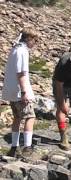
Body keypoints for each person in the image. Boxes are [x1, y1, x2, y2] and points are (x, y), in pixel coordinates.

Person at [1, 28, 38, 157]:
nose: (35, 43)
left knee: (17, 117)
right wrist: (24, 92)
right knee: (29, 116)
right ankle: (27, 147)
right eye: (34, 40)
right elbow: (21, 73)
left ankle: (14, 147)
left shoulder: (14, 49)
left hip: (11, 90)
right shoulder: (23, 51)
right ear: (28, 39)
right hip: (19, 90)